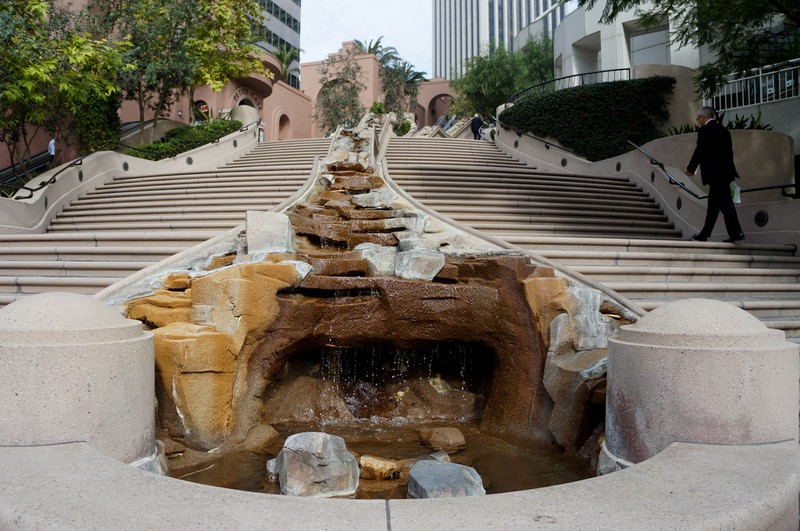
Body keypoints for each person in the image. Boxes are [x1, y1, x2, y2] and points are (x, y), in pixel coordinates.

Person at [684, 106, 744, 243]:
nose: (698, 121)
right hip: (725, 173)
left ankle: (737, 232)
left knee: (726, 203)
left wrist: (691, 169)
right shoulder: (724, 131)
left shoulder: (704, 131)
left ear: (703, 118)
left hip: (715, 175)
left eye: (698, 118)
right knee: (713, 206)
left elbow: (700, 151)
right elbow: (729, 153)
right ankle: (705, 233)